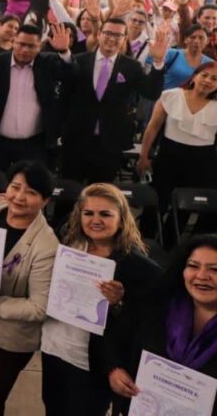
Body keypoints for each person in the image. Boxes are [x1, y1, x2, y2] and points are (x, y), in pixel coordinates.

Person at [39, 183, 161, 416]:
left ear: (122, 219)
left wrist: (119, 304)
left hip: (95, 363)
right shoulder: (68, 246)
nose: (96, 220)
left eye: (105, 214)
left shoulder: (139, 267)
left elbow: (148, 323)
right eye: (89, 213)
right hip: (55, 349)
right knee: (52, 408)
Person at [0, 161, 59, 416]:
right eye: (15, 187)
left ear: (45, 201)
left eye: (31, 192)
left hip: (8, 336)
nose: (19, 197)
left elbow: (40, 307)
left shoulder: (46, 245)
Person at [106, 236, 217, 414]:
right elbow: (116, 338)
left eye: (215, 269)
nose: (202, 276)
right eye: (193, 266)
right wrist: (114, 370)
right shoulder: (157, 305)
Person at [61, 18, 165, 183]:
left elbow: (151, 92)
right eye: (108, 33)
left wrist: (158, 62)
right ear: (100, 34)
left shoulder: (132, 67)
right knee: (68, 190)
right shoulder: (79, 61)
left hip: (111, 142)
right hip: (77, 138)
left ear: (124, 39)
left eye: (118, 35)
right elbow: (63, 95)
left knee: (101, 192)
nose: (112, 38)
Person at [0, 24, 72, 172]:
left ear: (40, 47)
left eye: (31, 46)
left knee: (31, 188)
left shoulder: (47, 64)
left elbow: (71, 74)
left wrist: (64, 51)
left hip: (34, 144)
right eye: (21, 44)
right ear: (13, 42)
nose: (25, 50)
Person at [138, 62, 217, 237]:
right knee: (157, 202)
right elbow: (152, 127)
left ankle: (171, 245)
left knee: (186, 207)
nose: (208, 81)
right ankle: (144, 241)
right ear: (194, 76)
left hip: (203, 162)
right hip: (169, 156)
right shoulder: (171, 95)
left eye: (214, 79)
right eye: (204, 75)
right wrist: (144, 156)